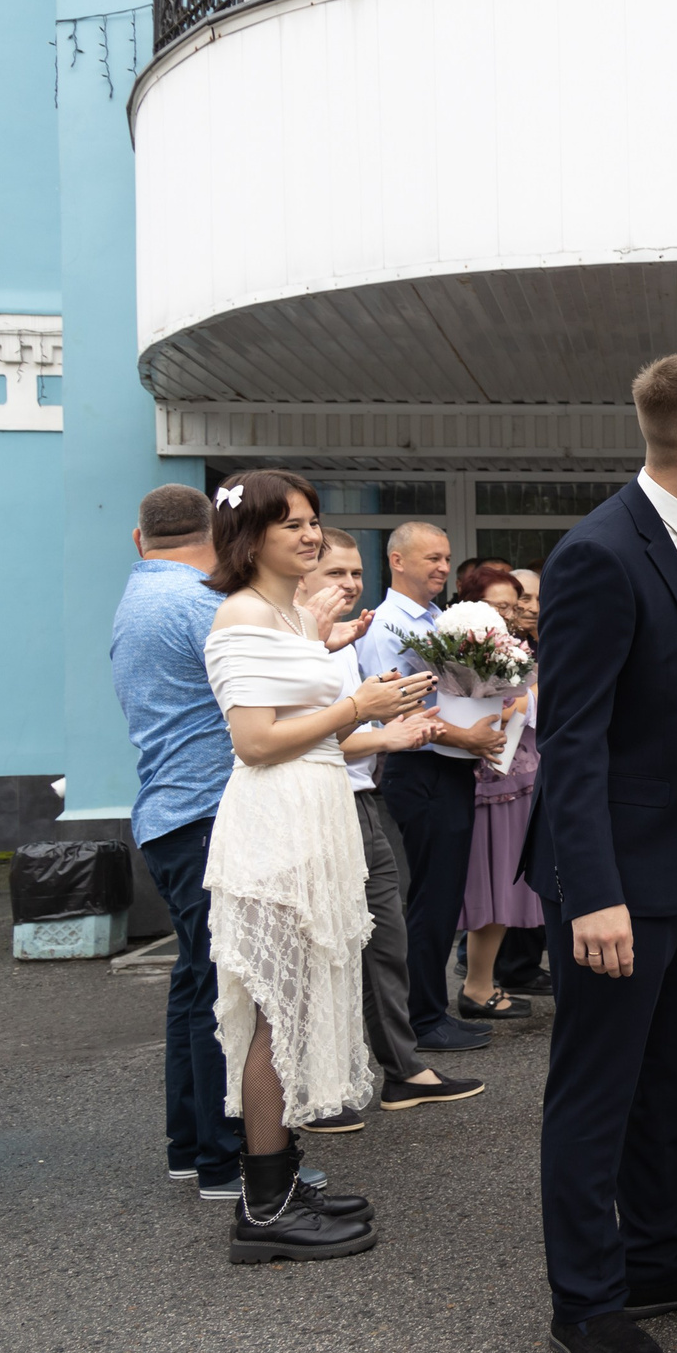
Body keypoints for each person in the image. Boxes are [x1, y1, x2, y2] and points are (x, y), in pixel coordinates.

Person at [528, 354, 677, 1353]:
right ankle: (584, 1301)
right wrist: (594, 894)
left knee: (666, 1080)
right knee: (597, 1092)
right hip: (617, 882)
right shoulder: (599, 552)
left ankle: (657, 1255)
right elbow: (570, 739)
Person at [200, 469, 431, 1261]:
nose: (309, 535)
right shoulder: (239, 613)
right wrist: (357, 706)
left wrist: (376, 719)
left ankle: (283, 1175)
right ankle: (263, 1208)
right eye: (290, 524)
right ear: (249, 536)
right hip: (277, 822)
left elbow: (313, 724)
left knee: (298, 1004)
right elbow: (255, 740)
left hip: (317, 812)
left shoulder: (290, 614)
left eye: (312, 520)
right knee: (274, 1009)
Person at [297, 531, 484, 1121]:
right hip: (324, 798)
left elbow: (355, 722)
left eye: (355, 573)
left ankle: (403, 1068)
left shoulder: (345, 637)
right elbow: (298, 738)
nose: (350, 585)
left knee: (385, 936)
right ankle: (312, 1090)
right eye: (335, 573)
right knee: (329, 948)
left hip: (361, 792)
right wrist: (387, 733)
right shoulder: (307, 638)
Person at [114, 485, 253, 1199]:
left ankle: (191, 1147)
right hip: (206, 813)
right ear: (216, 536)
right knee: (223, 991)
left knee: (196, 983)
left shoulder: (141, 593)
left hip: (169, 814)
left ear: (140, 539)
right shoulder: (202, 603)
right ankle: (227, 1160)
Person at [357, 520, 509, 1053]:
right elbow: (396, 713)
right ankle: (421, 1019)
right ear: (397, 561)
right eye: (432, 559)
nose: (444, 567)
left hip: (449, 768)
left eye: (446, 558)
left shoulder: (436, 618)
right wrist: (466, 736)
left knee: (444, 898)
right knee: (430, 898)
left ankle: (430, 1009)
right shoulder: (388, 627)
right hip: (419, 770)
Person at [452, 564, 543, 1024]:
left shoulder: (512, 647)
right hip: (490, 778)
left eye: (513, 605)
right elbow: (501, 706)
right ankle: (476, 984)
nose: (509, 613)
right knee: (489, 885)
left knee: (505, 885)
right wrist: (531, 694)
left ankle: (484, 981)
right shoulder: (463, 651)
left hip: (519, 772)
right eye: (498, 605)